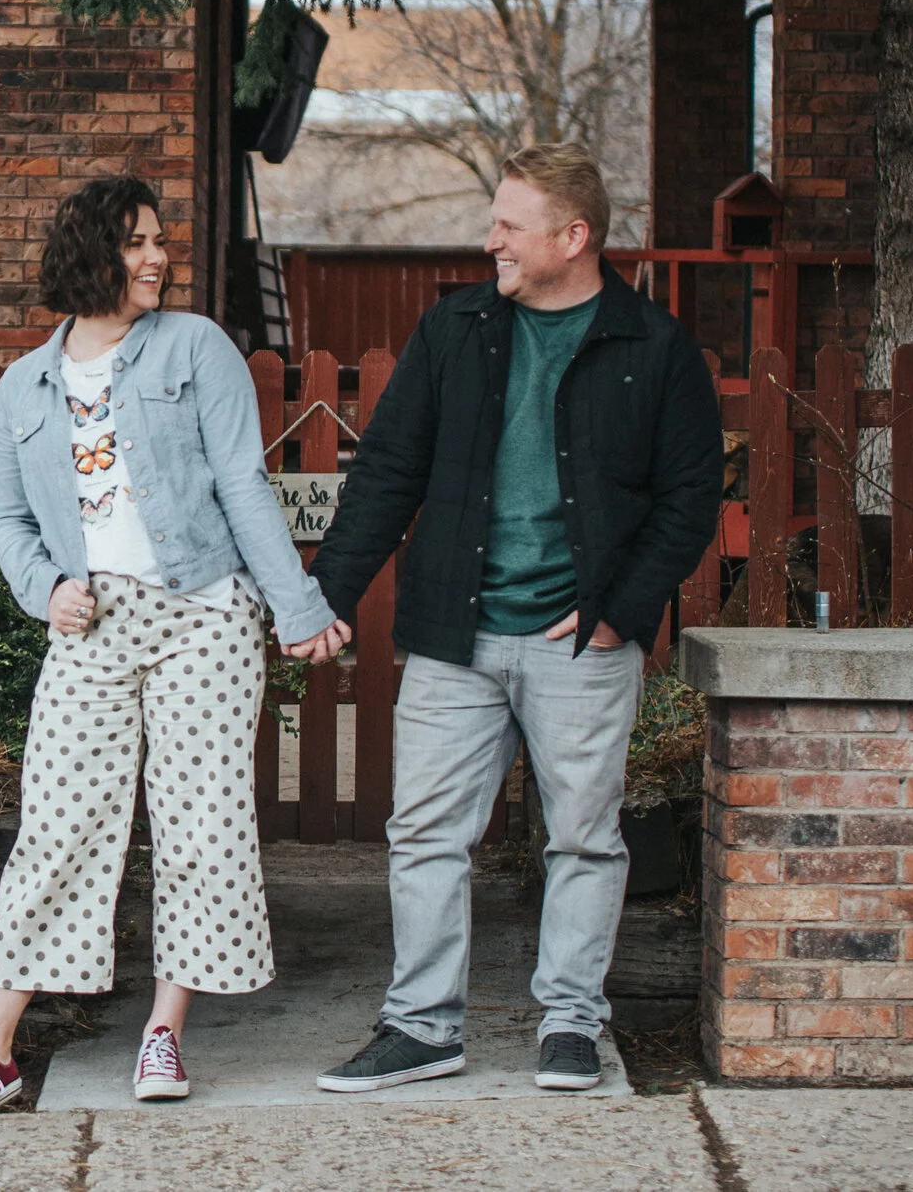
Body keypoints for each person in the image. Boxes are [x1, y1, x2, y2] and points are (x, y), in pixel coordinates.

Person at [307, 144, 722, 1095]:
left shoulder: (653, 350)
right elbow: (388, 471)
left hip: (579, 644)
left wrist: (620, 609)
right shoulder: (454, 328)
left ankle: (572, 1022)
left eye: (509, 225)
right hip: (457, 636)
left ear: (572, 237)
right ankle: (421, 1027)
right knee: (424, 833)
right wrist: (327, 591)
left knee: (583, 836)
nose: (489, 239)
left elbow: (689, 497)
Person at [0, 177, 353, 1115]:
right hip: (91, 628)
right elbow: (7, 521)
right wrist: (46, 589)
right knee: (55, 830)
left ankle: (164, 1033)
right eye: (136, 243)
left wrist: (297, 607)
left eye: (159, 242)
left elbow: (245, 486)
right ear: (91, 252)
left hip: (202, 615)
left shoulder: (195, 347)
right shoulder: (22, 387)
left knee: (199, 824)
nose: (157, 258)